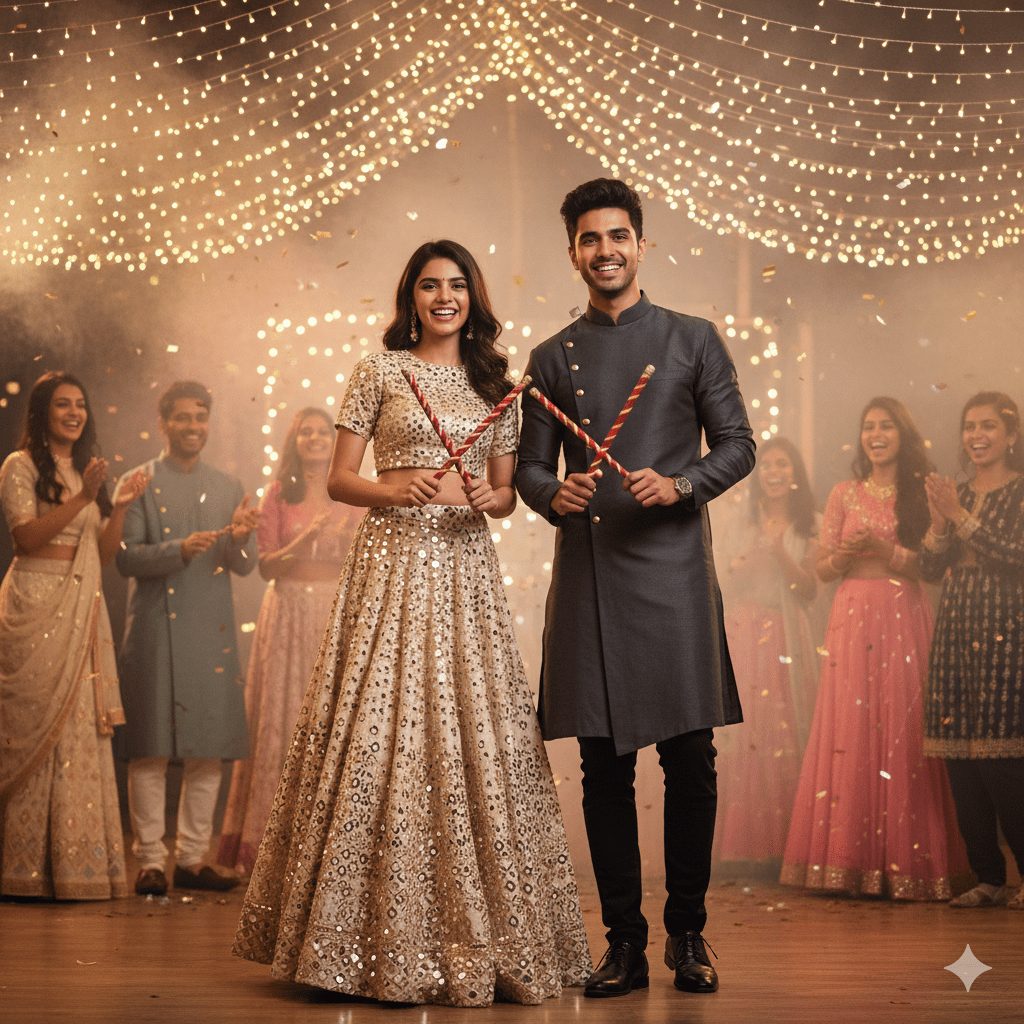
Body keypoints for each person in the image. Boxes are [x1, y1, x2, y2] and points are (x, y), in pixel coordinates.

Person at [233, 240, 591, 1007]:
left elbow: (504, 495)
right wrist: (395, 493)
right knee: (380, 728)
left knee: (467, 734)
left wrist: (484, 496)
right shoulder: (379, 371)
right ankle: (350, 941)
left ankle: (476, 940)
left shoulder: (498, 387)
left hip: (465, 575)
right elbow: (341, 480)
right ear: (412, 297)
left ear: (473, 297)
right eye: (430, 285)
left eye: (456, 285)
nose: (444, 297)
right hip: (391, 563)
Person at [516, 178, 756, 998]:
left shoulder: (693, 338)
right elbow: (530, 468)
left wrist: (682, 485)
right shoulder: (551, 357)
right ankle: (623, 942)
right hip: (592, 576)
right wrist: (556, 494)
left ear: (641, 245)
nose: (605, 251)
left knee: (692, 761)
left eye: (618, 236)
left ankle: (688, 934)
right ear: (573, 253)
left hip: (674, 571)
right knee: (602, 766)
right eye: (590, 239)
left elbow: (738, 444)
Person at [781, 397, 966, 901]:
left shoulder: (919, 493)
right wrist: (844, 554)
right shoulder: (844, 493)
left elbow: (933, 569)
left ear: (903, 435)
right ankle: (849, 863)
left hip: (903, 613)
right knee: (851, 730)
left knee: (903, 727)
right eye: (869, 427)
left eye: (886, 426)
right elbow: (821, 570)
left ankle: (909, 865)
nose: (876, 435)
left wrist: (886, 551)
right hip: (850, 613)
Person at [0, 371, 147, 899]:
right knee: (28, 723)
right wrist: (85, 496)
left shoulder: (88, 471)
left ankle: (74, 869)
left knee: (79, 729)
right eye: (63, 404)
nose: (74, 413)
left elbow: (103, 554)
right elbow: (25, 538)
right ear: (42, 412)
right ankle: (20, 869)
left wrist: (118, 505)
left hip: (82, 610)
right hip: (34, 605)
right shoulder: (19, 465)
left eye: (80, 404)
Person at [117, 380, 260, 897]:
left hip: (210, 629)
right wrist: (177, 550)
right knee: (150, 750)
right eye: (182, 417)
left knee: (207, 751)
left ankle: (193, 859)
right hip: (155, 630)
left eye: (200, 417)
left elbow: (244, 565)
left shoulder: (227, 485)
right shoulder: (138, 481)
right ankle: (150, 861)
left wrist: (241, 537)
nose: (192, 426)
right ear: (163, 423)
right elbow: (124, 558)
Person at [217, 407, 359, 875]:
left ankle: (330, 849)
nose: (315, 439)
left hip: (335, 614)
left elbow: (364, 562)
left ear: (335, 442)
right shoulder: (280, 492)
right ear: (294, 443)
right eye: (306, 433)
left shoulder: (350, 493)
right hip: (287, 610)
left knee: (331, 721)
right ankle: (273, 847)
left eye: (323, 432)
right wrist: (305, 539)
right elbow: (265, 567)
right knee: (282, 718)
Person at [921, 391, 1024, 910]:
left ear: (1011, 435)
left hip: (1007, 636)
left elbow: (1015, 556)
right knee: (960, 761)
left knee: (1005, 764)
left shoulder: (1019, 491)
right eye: (970, 426)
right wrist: (940, 524)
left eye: (988, 426)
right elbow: (928, 569)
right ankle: (988, 878)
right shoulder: (955, 492)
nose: (977, 436)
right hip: (955, 635)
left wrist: (958, 515)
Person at [715, 437, 820, 869]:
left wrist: (779, 552)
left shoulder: (810, 525)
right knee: (743, 737)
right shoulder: (741, 523)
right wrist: (750, 558)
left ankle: (787, 848)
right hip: (743, 633)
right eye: (768, 466)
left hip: (786, 638)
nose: (775, 473)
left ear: (796, 475)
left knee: (786, 732)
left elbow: (809, 589)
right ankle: (740, 848)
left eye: (783, 465)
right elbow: (723, 579)